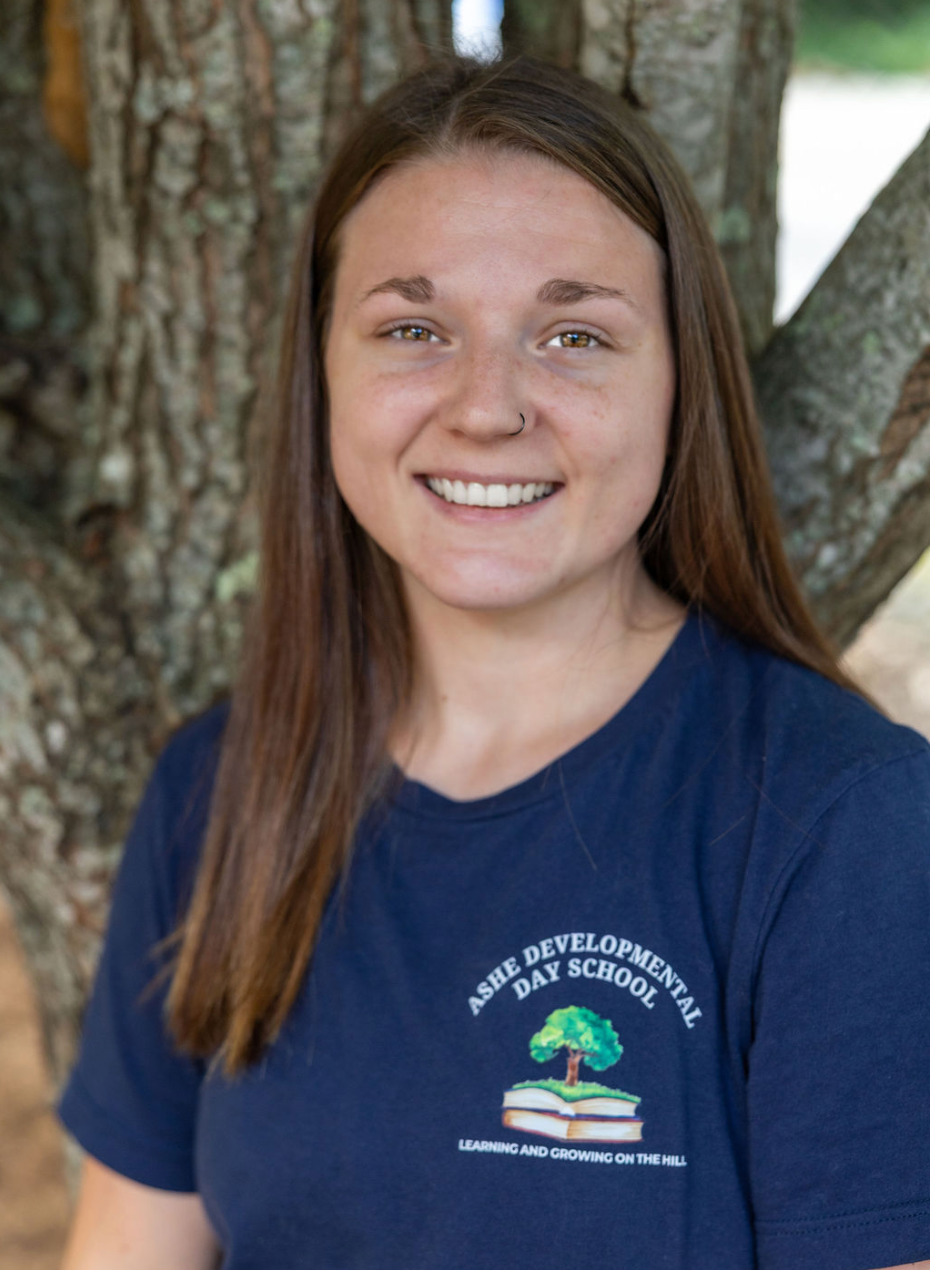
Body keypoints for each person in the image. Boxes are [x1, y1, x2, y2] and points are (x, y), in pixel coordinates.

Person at [56, 54, 930, 1270]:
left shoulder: (844, 823)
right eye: (414, 328)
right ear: (322, 376)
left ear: (682, 385)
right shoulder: (219, 789)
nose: (487, 407)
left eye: (573, 334)